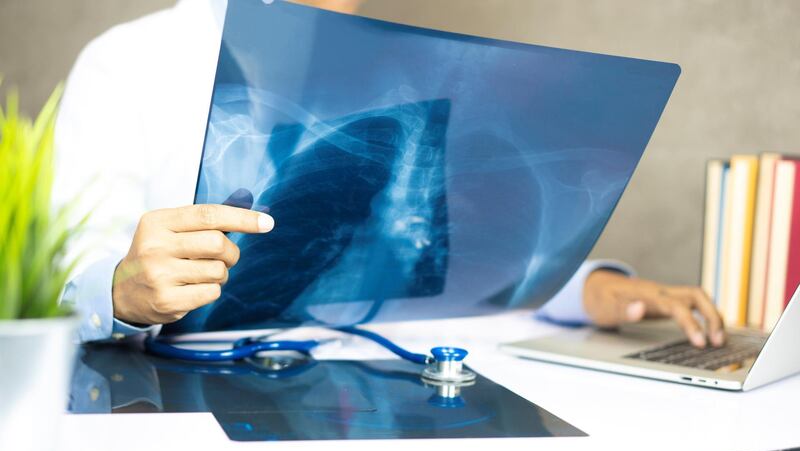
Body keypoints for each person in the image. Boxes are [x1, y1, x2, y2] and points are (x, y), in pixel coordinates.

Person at [55, 0, 725, 348]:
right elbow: (64, 287)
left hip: (378, 400)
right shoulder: (126, 66)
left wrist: (590, 289)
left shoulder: (388, 63)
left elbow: (439, 263)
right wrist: (121, 290)